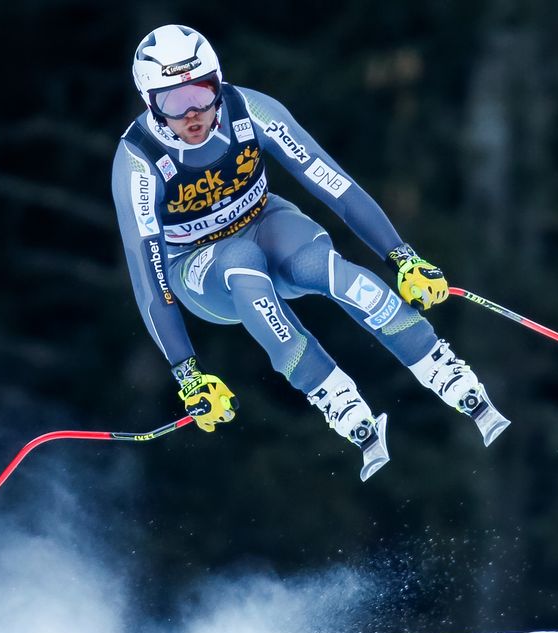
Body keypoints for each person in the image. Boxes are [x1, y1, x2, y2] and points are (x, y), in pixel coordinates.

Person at [111, 24, 509, 481]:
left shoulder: (249, 110)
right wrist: (187, 371)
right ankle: (334, 396)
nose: (194, 112)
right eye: (174, 102)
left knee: (320, 266)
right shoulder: (138, 160)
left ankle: (440, 365)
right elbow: (148, 274)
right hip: (197, 268)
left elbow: (333, 183)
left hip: (265, 222)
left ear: (219, 81)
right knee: (242, 263)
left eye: (203, 90)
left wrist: (403, 256)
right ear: (150, 102)